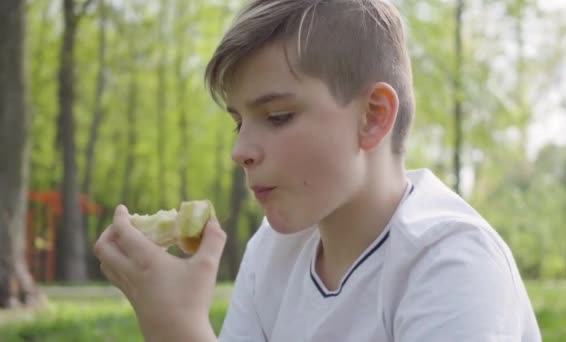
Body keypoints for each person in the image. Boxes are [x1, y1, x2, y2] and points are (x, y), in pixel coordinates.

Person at [94, 0, 542, 341]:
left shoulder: (451, 263)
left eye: (277, 116)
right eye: (238, 121)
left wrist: (180, 330)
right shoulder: (272, 252)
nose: (240, 151)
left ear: (372, 117)